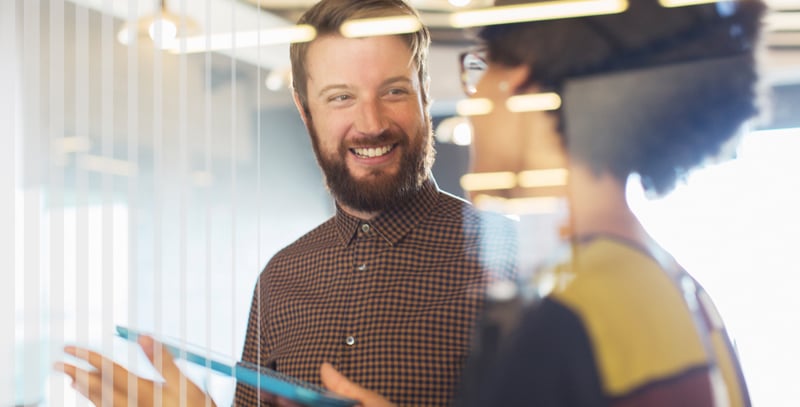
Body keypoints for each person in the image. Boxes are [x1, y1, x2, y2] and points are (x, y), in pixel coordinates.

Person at [55, 0, 518, 406]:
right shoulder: (280, 279)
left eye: (393, 91)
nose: (371, 122)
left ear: (424, 93)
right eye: (341, 97)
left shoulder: (512, 259)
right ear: (305, 110)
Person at [320, 0, 766, 406]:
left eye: (481, 72)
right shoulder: (674, 286)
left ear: (519, 82)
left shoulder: (566, 313)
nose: (475, 105)